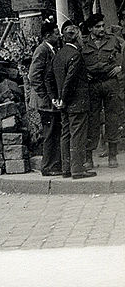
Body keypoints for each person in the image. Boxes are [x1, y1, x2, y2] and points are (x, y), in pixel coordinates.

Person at [46, 23, 96, 179]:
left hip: (64, 104)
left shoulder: (58, 54)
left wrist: (55, 98)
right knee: (78, 136)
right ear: (77, 37)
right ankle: (78, 170)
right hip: (76, 103)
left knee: (66, 135)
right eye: (81, 36)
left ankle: (67, 168)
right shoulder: (76, 55)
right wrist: (63, 98)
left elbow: (48, 78)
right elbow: (71, 80)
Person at [80, 13, 123, 168]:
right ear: (90, 28)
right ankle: (88, 157)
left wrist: (120, 67)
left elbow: (123, 54)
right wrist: (83, 74)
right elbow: (77, 62)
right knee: (92, 120)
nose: (101, 29)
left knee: (113, 118)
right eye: (97, 26)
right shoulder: (83, 43)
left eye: (102, 26)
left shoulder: (113, 40)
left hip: (110, 83)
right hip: (93, 85)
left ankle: (112, 155)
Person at [29, 21, 62, 176]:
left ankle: (54, 164)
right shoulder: (42, 50)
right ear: (47, 36)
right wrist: (45, 96)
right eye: (56, 34)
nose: (59, 36)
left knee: (54, 131)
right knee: (49, 133)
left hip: (48, 100)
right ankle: (47, 167)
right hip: (45, 102)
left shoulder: (51, 49)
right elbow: (34, 76)